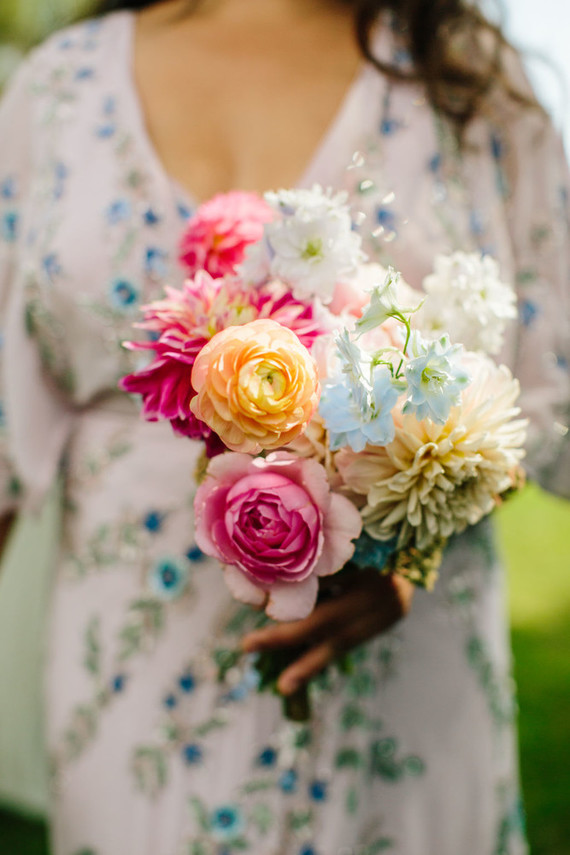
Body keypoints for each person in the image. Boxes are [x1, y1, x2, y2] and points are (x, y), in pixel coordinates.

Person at [0, 0, 568, 852]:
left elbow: (548, 392)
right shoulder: (61, 87)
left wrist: (409, 547)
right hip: (132, 682)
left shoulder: (463, 76)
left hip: (407, 686)